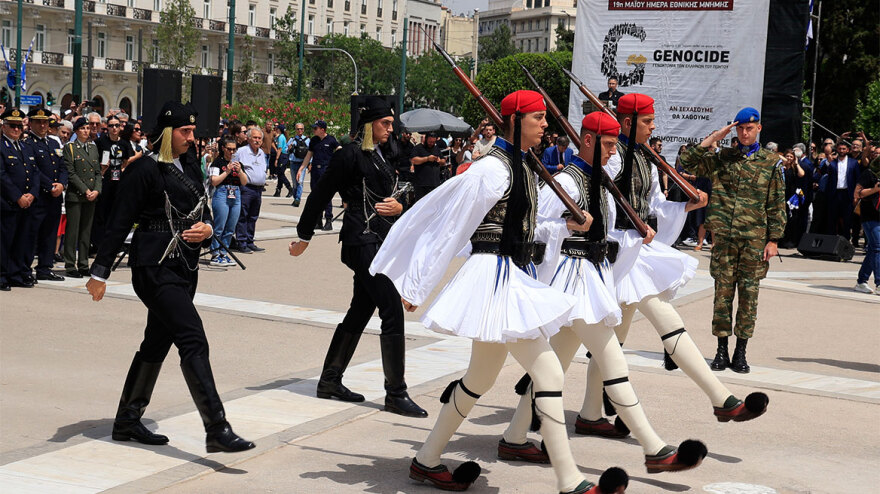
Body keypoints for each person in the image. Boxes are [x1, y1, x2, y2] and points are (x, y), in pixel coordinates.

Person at [371, 90, 614, 494]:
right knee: (550, 371)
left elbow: (525, 228)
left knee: (478, 379)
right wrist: (418, 283)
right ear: (516, 120)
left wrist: (564, 228)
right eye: (538, 117)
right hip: (494, 278)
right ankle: (570, 480)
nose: (545, 125)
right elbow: (453, 226)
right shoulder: (491, 170)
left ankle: (427, 460)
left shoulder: (519, 165)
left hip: (512, 274)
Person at [499, 111, 707, 473]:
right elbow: (533, 226)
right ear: (590, 140)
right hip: (570, 281)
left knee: (553, 369)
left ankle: (515, 438)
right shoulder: (567, 181)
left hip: (589, 278)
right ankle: (655, 450)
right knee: (614, 362)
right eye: (609, 145)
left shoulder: (597, 182)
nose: (614, 152)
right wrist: (566, 225)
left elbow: (608, 234)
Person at [585, 95, 768, 428]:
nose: (654, 127)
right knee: (659, 323)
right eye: (647, 121)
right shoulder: (611, 157)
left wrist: (685, 207)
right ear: (628, 123)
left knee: (611, 340)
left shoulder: (645, 157)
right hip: (615, 255)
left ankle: (588, 414)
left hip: (634, 253)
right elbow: (599, 205)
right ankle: (720, 398)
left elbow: (654, 205)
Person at [85, 101, 254, 454]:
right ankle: (217, 427)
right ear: (166, 133)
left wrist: (208, 228)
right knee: (193, 338)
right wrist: (99, 273)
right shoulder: (145, 169)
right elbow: (118, 222)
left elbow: (203, 210)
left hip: (184, 267)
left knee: (156, 343)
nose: (192, 138)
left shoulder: (191, 164)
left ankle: (128, 420)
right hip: (152, 266)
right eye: (185, 132)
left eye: (193, 132)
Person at [289, 96, 427, 418]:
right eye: (385, 123)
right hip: (360, 241)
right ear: (369, 124)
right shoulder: (350, 154)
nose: (391, 129)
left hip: (380, 240)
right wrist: (304, 236)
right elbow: (321, 193)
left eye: (392, 124)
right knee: (391, 308)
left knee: (361, 310)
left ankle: (329, 380)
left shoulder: (387, 153)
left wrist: (401, 206)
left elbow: (406, 188)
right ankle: (396, 393)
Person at [679, 107, 786, 374]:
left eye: (749, 128)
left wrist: (773, 240)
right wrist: (712, 137)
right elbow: (686, 163)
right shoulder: (723, 157)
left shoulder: (772, 162)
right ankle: (721, 350)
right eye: (740, 128)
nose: (744, 132)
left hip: (754, 241)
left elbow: (776, 203)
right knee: (722, 296)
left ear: (759, 128)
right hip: (724, 240)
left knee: (749, 298)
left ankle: (741, 353)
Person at [24, 107, 68, 282]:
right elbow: (33, 170)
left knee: (50, 233)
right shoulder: (28, 144)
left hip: (55, 197)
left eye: (45, 122)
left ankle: (45, 267)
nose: (43, 125)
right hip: (39, 195)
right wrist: (50, 185)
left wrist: (62, 184)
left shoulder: (53, 143)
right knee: (32, 234)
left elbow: (63, 167)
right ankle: (25, 268)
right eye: (38, 122)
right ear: (32, 123)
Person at [1, 108, 40, 291]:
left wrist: (32, 193)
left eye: (19, 126)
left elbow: (34, 173)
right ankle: (2, 275)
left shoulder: (25, 147)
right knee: (5, 242)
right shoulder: (1, 147)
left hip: (26, 203)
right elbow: (2, 176)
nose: (17, 130)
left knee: (21, 241)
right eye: (12, 126)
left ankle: (15, 274)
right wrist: (17, 197)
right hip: (8, 203)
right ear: (4, 126)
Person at [63, 117, 102, 278]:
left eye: (88, 128)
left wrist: (97, 190)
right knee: (73, 231)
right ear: (77, 131)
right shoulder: (70, 147)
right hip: (76, 195)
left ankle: (84, 263)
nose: (86, 131)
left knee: (86, 232)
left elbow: (98, 172)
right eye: (83, 128)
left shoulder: (93, 148)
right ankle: (70, 264)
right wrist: (86, 190)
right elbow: (70, 173)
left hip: (91, 195)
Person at [209, 139, 248, 267]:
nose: (231, 152)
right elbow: (214, 181)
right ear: (223, 148)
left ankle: (223, 252)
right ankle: (215, 253)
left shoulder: (238, 163)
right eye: (229, 149)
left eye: (234, 149)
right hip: (222, 193)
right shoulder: (217, 162)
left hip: (235, 193)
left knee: (231, 227)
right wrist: (227, 171)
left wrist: (240, 170)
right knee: (220, 226)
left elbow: (244, 182)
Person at [296, 120, 340, 231]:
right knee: (315, 196)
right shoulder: (314, 140)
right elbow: (308, 155)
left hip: (326, 171)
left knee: (326, 196)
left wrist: (338, 163)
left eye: (316, 128)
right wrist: (301, 169)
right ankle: (318, 221)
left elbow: (340, 150)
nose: (313, 130)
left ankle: (328, 220)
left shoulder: (331, 140)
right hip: (315, 171)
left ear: (322, 129)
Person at [91, 114, 126, 252]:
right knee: (101, 214)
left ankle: (113, 245)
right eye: (111, 126)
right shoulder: (101, 142)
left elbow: (128, 158)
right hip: (104, 181)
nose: (114, 128)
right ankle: (98, 245)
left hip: (118, 183)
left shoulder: (124, 143)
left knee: (115, 215)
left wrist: (123, 168)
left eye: (117, 125)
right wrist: (101, 170)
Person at [233, 127, 267, 253]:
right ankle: (241, 242)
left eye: (259, 138)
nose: (257, 140)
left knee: (253, 216)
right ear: (248, 138)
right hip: (246, 188)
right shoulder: (241, 151)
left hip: (258, 189)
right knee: (243, 215)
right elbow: (233, 165)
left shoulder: (261, 153)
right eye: (255, 138)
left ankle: (249, 241)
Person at [820, 141, 860, 239]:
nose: (841, 151)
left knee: (847, 220)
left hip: (847, 193)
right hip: (834, 194)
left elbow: (857, 179)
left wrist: (856, 195)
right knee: (832, 219)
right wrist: (828, 161)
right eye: (840, 149)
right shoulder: (832, 162)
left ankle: (846, 242)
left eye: (844, 149)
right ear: (837, 149)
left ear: (847, 150)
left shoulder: (853, 163)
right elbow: (823, 172)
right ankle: (830, 242)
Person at [854, 156, 880, 294]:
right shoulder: (869, 173)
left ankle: (861, 281)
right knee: (877, 248)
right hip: (870, 216)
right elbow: (860, 193)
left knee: (873, 250)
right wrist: (875, 189)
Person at [410, 131, 446, 202]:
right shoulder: (418, 148)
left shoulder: (436, 148)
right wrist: (427, 159)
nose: (431, 143)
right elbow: (414, 160)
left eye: (433, 142)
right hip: (421, 184)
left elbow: (443, 161)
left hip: (434, 183)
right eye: (430, 142)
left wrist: (439, 160)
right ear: (426, 139)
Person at [288, 122, 310, 207]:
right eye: (298, 129)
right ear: (295, 130)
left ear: (303, 130)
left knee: (300, 181)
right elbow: (286, 150)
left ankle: (297, 199)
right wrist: (289, 148)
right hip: (293, 163)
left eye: (301, 129)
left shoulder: (307, 140)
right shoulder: (292, 140)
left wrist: (310, 163)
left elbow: (310, 152)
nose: (300, 130)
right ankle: (295, 198)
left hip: (302, 163)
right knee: (294, 183)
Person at [273, 124, 293, 197]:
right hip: (283, 156)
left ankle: (290, 188)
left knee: (281, 174)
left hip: (283, 156)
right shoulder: (281, 137)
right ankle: (278, 190)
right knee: (279, 173)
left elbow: (280, 149)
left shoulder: (281, 137)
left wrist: (276, 159)